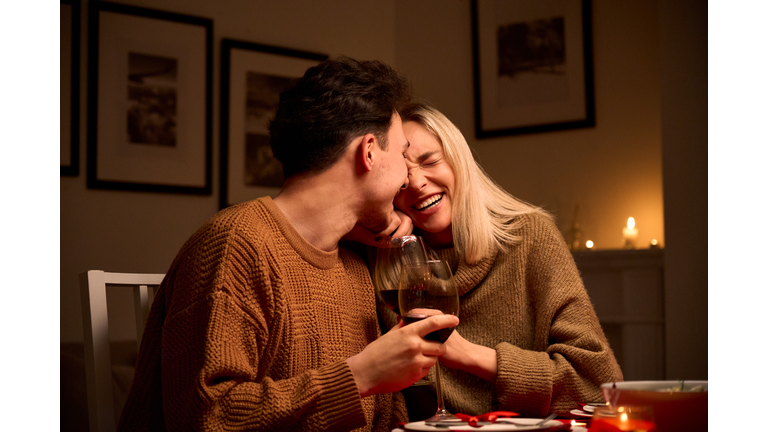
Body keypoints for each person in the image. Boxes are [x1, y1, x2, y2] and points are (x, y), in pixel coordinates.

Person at [118, 58, 459, 432]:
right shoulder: (235, 244)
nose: (407, 179)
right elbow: (205, 417)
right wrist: (358, 376)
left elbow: (384, 416)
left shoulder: (354, 268)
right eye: (402, 152)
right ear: (370, 151)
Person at [371, 102, 623, 419]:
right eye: (402, 175)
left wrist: (467, 354)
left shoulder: (530, 236)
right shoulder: (384, 263)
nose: (418, 182)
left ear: (459, 161)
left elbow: (599, 385)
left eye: (430, 161)